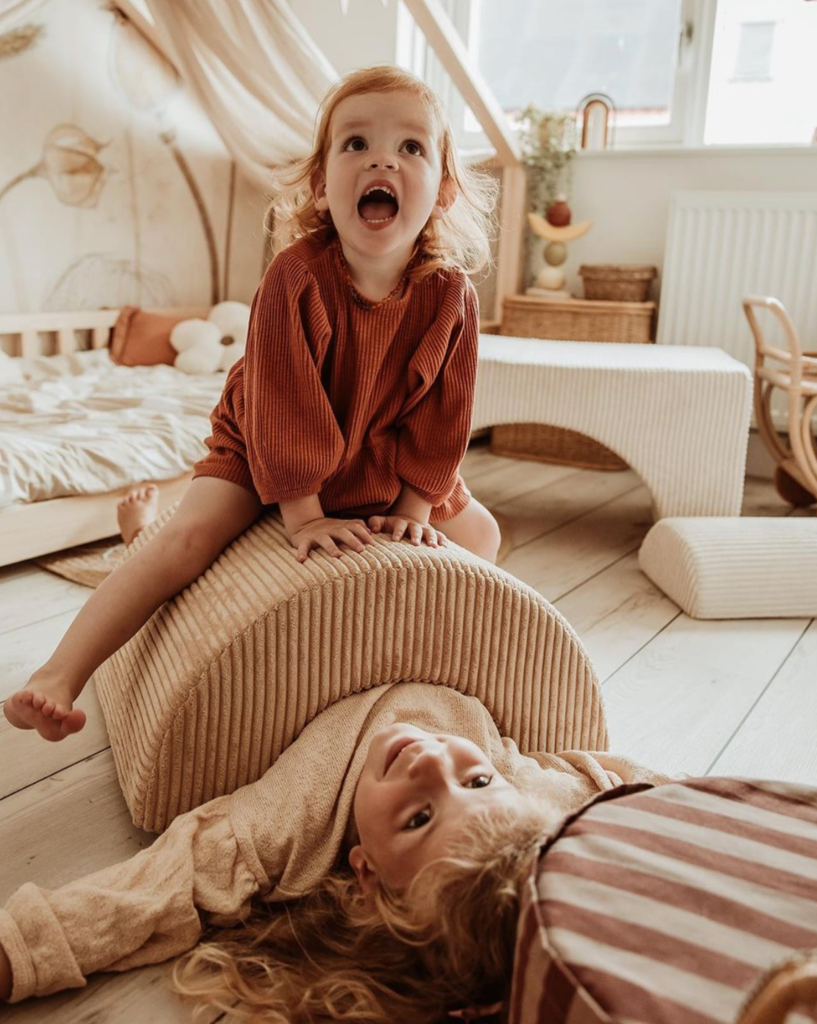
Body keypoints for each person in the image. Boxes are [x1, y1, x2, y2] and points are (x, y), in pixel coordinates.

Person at [4, 65, 500, 742]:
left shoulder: (452, 295)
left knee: (481, 535)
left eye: (410, 147)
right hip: (263, 438)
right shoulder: (296, 275)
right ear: (321, 184)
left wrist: (413, 511)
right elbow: (282, 404)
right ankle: (59, 673)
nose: (382, 159)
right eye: (356, 143)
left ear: (443, 190)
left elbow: (444, 415)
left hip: (383, 448)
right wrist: (303, 516)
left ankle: (440, 670)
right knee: (187, 538)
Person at [0, 682, 669, 1020]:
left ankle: (141, 533)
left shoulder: (292, 828)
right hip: (418, 575)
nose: (433, 762)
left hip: (304, 602)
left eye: (418, 818)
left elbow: (154, 888)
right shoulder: (533, 797)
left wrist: (17, 956)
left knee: (181, 543)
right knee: (477, 525)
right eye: (476, 781)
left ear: (365, 875)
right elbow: (640, 794)